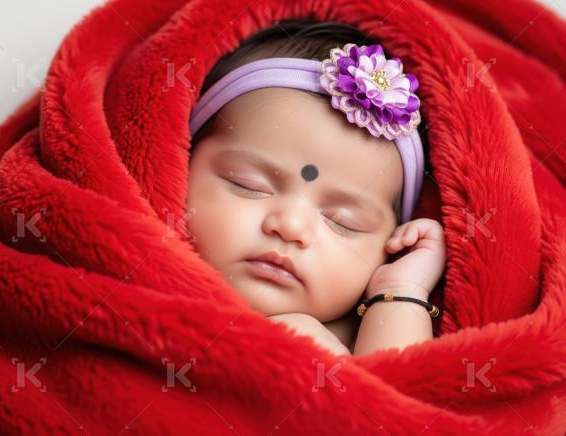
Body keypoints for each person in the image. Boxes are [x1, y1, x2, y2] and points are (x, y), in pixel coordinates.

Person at [185, 19, 446, 356]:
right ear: (182, 162)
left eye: (343, 222)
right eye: (248, 184)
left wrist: (400, 290)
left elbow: (404, 385)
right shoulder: (135, 284)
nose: (292, 227)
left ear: (389, 249)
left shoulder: (366, 338)